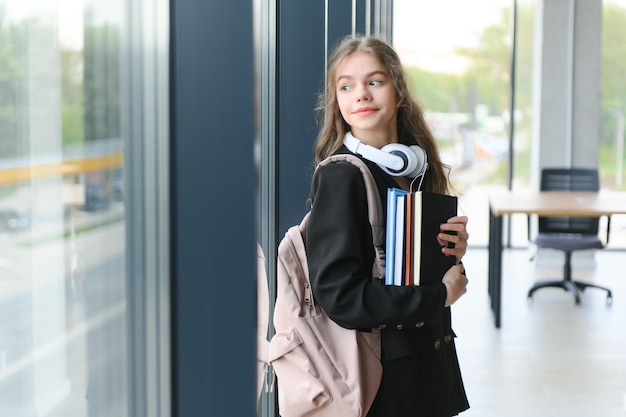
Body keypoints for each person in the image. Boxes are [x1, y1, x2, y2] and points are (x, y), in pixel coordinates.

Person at [306, 34, 470, 417]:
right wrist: (437, 297)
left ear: (398, 93)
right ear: (338, 103)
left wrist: (450, 253)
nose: (360, 94)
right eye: (346, 86)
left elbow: (417, 274)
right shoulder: (342, 176)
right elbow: (340, 297)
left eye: (374, 82)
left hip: (426, 367)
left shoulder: (415, 169)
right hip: (384, 383)